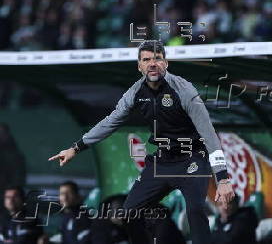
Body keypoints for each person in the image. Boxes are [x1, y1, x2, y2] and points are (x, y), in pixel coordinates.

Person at [49, 41, 235, 244]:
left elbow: (209, 135)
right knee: (129, 213)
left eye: (157, 59)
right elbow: (110, 122)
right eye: (146, 60)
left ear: (166, 63)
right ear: (139, 66)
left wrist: (223, 179)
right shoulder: (135, 93)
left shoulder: (185, 90)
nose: (152, 64)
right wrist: (76, 147)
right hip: (162, 162)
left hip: (192, 159)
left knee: (195, 211)